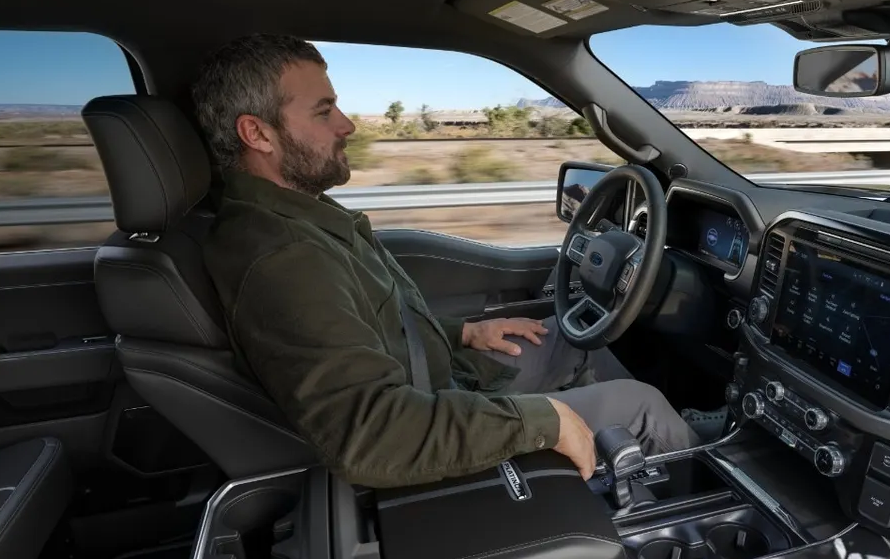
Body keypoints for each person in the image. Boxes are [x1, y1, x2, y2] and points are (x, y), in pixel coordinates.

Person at [191, 33, 714, 489]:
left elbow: (366, 324)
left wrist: (462, 333)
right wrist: (541, 422)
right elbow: (373, 434)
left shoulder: (295, 216)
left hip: (443, 380)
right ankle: (703, 483)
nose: (347, 125)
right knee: (640, 405)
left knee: (572, 339)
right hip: (427, 421)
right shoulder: (284, 258)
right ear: (256, 134)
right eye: (324, 111)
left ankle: (631, 466)